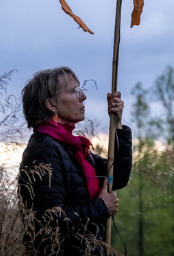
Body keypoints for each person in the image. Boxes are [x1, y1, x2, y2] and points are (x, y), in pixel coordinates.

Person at [19, 67, 132, 255]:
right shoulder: (43, 151)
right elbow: (50, 221)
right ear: (51, 104)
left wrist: (117, 124)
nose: (83, 97)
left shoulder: (74, 149)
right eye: (73, 91)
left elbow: (116, 176)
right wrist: (101, 207)